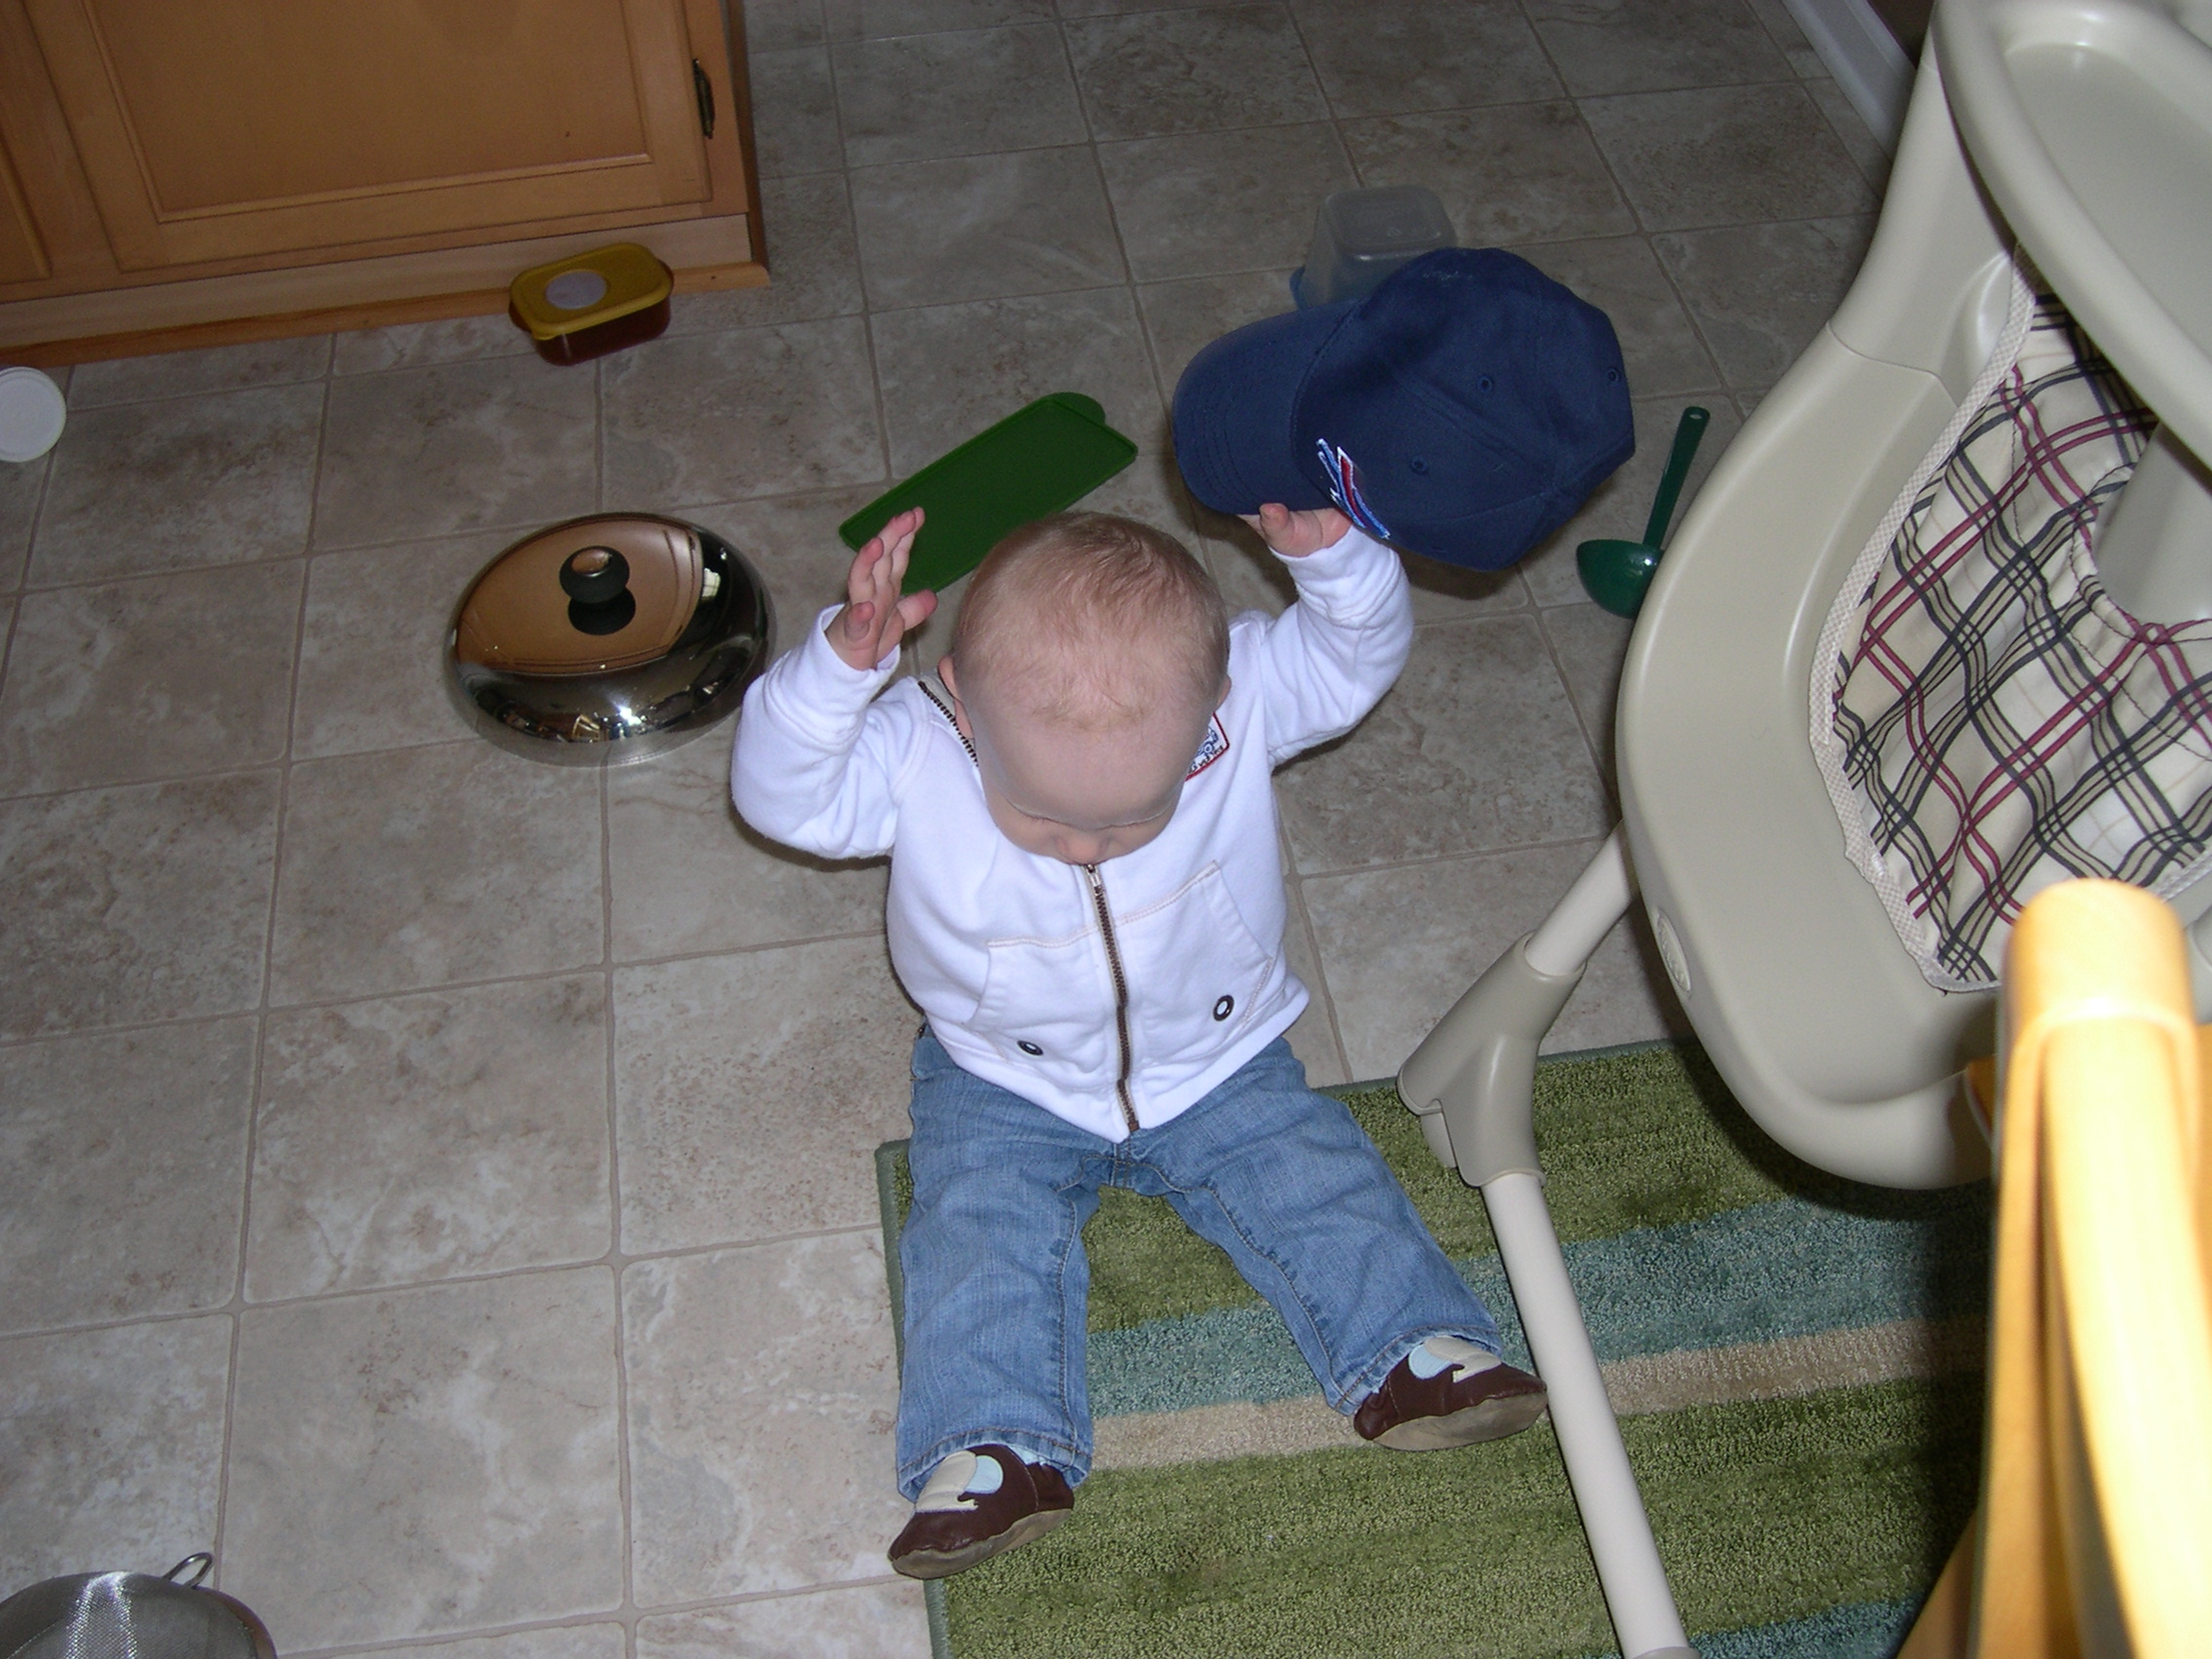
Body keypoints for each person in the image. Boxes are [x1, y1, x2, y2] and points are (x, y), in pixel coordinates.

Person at [731, 498, 1545, 1582]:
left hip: (1219, 1054)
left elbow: (1352, 660)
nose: (1083, 845)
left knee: (1313, 1171)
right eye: (1043, 819)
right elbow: (779, 794)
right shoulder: (914, 752)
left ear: (1211, 706)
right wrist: (834, 674)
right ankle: (996, 1446)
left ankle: (1409, 1350)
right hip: (998, 1073)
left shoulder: (1235, 706)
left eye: (1128, 820)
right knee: (975, 1232)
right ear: (961, 705)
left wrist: (1340, 564)